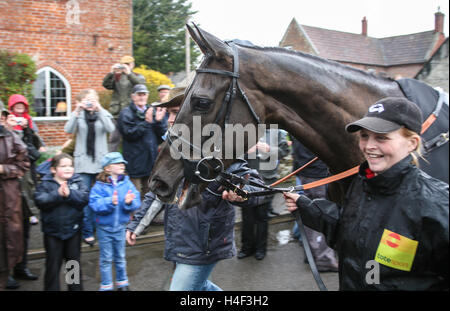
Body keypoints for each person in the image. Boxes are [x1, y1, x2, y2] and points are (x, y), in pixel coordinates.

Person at [283, 97, 449, 290]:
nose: (369, 146)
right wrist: (305, 206)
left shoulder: (438, 205)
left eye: (382, 137)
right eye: (364, 136)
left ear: (412, 143)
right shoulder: (362, 182)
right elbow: (348, 232)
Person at [126, 87, 267, 291]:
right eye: (170, 113)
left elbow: (253, 184)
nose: (171, 119)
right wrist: (136, 225)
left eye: (177, 112)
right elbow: (159, 192)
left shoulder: (219, 146)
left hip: (204, 244)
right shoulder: (171, 149)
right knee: (200, 288)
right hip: (179, 239)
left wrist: (241, 191)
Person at [64, 89, 115, 246]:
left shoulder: (103, 114)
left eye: (92, 99)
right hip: (83, 163)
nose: (89, 102)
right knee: (84, 199)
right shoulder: (78, 115)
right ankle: (87, 230)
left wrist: (99, 109)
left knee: (99, 196)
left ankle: (97, 227)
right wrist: (77, 111)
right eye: (86, 99)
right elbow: (68, 130)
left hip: (100, 163)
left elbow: (111, 129)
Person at [34, 153, 89, 291]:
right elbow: (41, 201)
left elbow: (84, 199)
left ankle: (74, 289)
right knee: (53, 265)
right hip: (53, 233)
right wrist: (57, 194)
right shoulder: (45, 184)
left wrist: (69, 194)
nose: (68, 168)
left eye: (70, 166)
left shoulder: (77, 182)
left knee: (73, 264)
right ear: (53, 169)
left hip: (73, 232)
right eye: (63, 166)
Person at [89, 152, 141, 291]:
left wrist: (128, 203)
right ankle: (106, 285)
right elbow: (94, 204)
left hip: (121, 227)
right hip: (104, 228)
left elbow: (136, 200)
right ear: (107, 168)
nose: (122, 165)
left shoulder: (127, 182)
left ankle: (122, 282)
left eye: (122, 163)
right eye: (117, 163)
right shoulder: (99, 186)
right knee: (106, 258)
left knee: (120, 257)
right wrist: (109, 202)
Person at [1, 107, 41, 287]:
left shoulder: (14, 136)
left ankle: (20, 267)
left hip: (23, 191)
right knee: (6, 233)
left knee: (20, 231)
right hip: (10, 191)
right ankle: (6, 271)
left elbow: (33, 154)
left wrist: (25, 131)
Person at [239, 129, 289, 260]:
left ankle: (261, 249)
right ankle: (247, 248)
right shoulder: (245, 129)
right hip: (246, 182)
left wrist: (269, 150)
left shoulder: (276, 132)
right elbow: (232, 154)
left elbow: (284, 151)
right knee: (247, 216)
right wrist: (244, 152)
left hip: (266, 182)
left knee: (262, 216)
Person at [291, 138, 339, 272]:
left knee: (307, 210)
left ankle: (311, 254)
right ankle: (324, 259)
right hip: (316, 173)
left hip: (304, 171)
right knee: (320, 212)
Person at [117, 84, 167, 198]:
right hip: (134, 162)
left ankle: (147, 216)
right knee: (134, 195)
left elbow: (162, 136)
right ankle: (135, 216)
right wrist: (146, 123)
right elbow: (129, 134)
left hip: (151, 161)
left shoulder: (152, 111)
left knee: (150, 195)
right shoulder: (126, 113)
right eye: (139, 94)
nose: (142, 97)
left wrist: (159, 121)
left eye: (144, 94)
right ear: (132, 96)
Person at [0, 108, 30, 291]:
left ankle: (6, 276)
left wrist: (4, 169)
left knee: (7, 239)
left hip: (7, 196)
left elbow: (23, 162)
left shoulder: (11, 138)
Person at [102, 55, 146, 152]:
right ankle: (112, 160)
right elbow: (106, 85)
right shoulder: (117, 76)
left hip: (132, 112)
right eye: (123, 64)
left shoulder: (137, 76)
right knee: (114, 138)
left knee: (132, 137)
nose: (124, 66)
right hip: (117, 112)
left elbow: (141, 85)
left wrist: (129, 74)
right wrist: (111, 73)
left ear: (132, 64)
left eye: (127, 64)